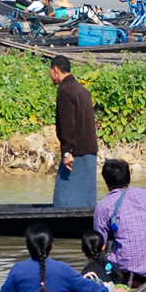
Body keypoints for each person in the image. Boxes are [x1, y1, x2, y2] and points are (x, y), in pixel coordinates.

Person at [0, 224, 111, 292]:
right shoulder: (63, 269)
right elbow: (91, 289)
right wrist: (108, 290)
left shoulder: (18, 270)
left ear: (28, 246)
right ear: (52, 245)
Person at [50, 55, 98, 209]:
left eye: (50, 71)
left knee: (64, 198)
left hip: (75, 153)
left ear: (56, 70)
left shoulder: (65, 90)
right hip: (89, 150)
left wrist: (66, 152)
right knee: (87, 199)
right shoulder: (81, 89)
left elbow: (67, 123)